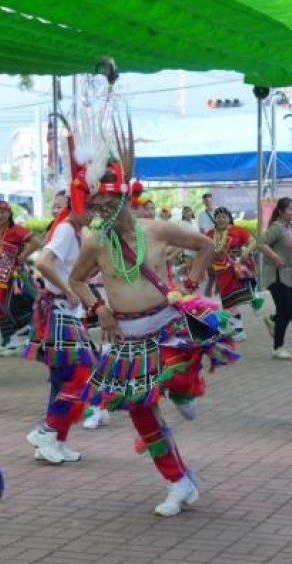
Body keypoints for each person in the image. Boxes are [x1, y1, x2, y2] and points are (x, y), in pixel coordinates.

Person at [69, 153, 238, 517]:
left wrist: (191, 284)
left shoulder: (156, 230)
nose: (101, 211)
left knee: (177, 378)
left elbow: (206, 246)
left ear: (124, 200)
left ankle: (186, 390)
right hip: (127, 341)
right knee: (141, 412)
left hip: (167, 329)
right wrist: (98, 308)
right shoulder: (96, 241)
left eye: (108, 203)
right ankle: (179, 482)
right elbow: (76, 279)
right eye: (96, 205)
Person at [23, 190, 95, 464]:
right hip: (59, 309)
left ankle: (54, 439)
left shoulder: (75, 232)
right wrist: (69, 291)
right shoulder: (66, 230)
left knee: (62, 378)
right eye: (88, 207)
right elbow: (43, 263)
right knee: (79, 373)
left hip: (64, 311)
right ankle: (47, 431)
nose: (93, 213)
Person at [0, 201, 39, 356]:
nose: (0, 215)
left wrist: (21, 257)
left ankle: (33, 334)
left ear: (9, 214)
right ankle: (11, 342)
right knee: (0, 307)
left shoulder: (17, 230)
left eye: (3, 212)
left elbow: (35, 242)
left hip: (15, 276)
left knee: (15, 305)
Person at [257, 198, 292, 359]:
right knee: (285, 310)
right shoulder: (277, 227)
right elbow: (260, 243)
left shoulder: (291, 227)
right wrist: (275, 257)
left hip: (291, 275)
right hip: (278, 275)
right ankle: (278, 347)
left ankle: (273, 320)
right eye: (290, 209)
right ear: (281, 211)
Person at [205, 207, 257, 341]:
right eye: (218, 217)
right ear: (215, 219)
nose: (221, 219)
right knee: (228, 301)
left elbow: (253, 241)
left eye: (224, 216)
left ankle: (233, 327)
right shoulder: (210, 233)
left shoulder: (238, 230)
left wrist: (246, 252)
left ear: (229, 218)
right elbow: (203, 249)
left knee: (244, 297)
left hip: (237, 269)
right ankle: (238, 330)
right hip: (221, 271)